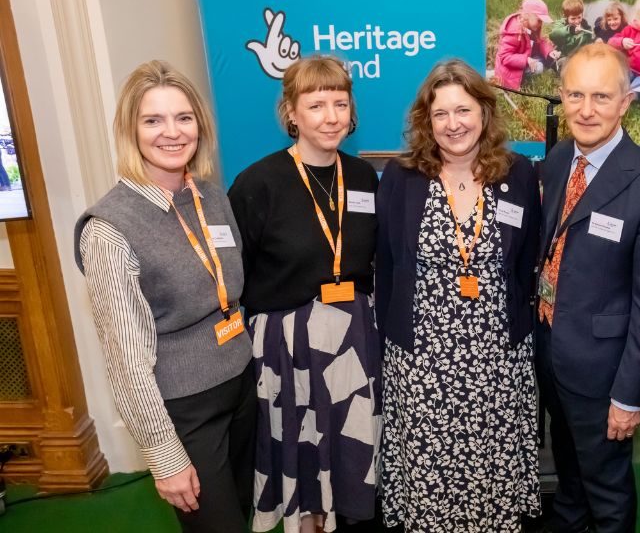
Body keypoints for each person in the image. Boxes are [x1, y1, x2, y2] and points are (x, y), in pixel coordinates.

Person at [74, 61, 254, 531]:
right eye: (153, 120)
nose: (172, 133)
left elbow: (232, 292)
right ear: (130, 131)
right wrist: (163, 454)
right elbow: (126, 358)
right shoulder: (109, 230)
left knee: (244, 511)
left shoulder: (212, 198)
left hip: (239, 387)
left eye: (184, 118)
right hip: (185, 409)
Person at [376, 59, 541, 531]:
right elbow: (386, 266)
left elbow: (527, 260)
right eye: (441, 114)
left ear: (485, 113)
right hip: (422, 361)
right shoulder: (402, 178)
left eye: (463, 110)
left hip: (497, 360)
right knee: (431, 475)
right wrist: (391, 343)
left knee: (492, 472)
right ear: (426, 121)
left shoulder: (518, 175)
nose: (454, 124)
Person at [228, 55, 380, 532]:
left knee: (353, 448)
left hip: (354, 338)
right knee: (305, 456)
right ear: (291, 113)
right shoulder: (258, 183)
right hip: (289, 347)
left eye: (340, 103)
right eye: (316, 105)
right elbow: (235, 275)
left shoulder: (362, 178)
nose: (331, 116)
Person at [536, 43, 640, 533]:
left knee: (607, 491)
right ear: (561, 95)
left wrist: (627, 396)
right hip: (553, 355)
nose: (586, 109)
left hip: (603, 373)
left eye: (601, 96)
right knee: (571, 477)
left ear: (625, 102)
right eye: (575, 95)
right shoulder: (559, 159)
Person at [494, 0, 560, 90]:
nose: (541, 23)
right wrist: (526, 60)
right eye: (539, 20)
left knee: (544, 57)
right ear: (528, 15)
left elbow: (540, 41)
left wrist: (549, 52)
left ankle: (551, 65)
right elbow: (505, 57)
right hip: (511, 69)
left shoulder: (530, 26)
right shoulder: (514, 31)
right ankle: (520, 81)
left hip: (524, 59)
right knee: (539, 67)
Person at [549, 0, 595, 68]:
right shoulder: (560, 24)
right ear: (566, 17)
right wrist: (570, 30)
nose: (577, 21)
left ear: (582, 15)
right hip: (563, 56)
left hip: (579, 57)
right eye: (573, 19)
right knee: (564, 64)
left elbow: (589, 43)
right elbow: (553, 35)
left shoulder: (586, 27)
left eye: (579, 17)